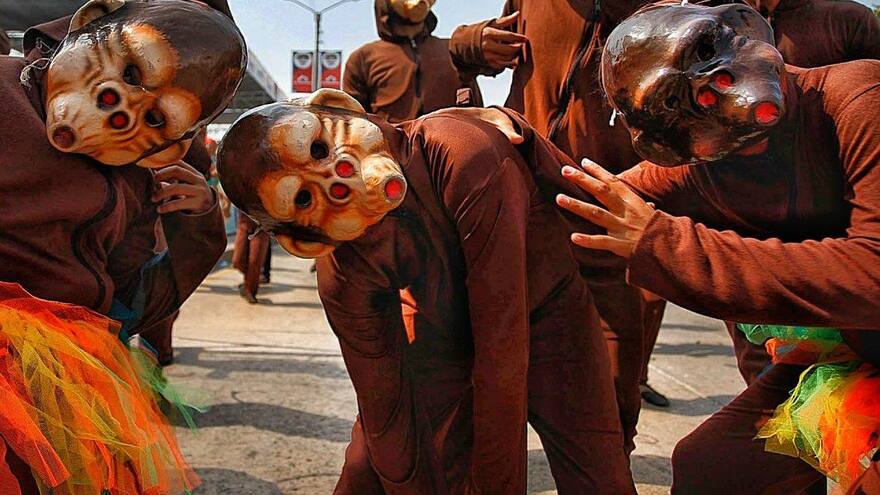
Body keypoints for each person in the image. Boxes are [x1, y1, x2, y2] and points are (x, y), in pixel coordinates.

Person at [218, 89, 636, 494]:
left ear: (340, 107)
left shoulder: (461, 153)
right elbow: (385, 409)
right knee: (370, 467)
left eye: (319, 149)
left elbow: (502, 350)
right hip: (441, 329)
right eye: (305, 197)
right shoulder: (344, 269)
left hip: (549, 318)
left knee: (596, 470)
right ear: (305, 242)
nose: (336, 177)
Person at [555, 2, 880, 492]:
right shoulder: (700, 164)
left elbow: (871, 274)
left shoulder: (858, 96)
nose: (715, 86)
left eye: (708, 50)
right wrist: (504, 143)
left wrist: (664, 243)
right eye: (676, 99)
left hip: (864, 329)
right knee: (713, 464)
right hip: (853, 350)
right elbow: (592, 198)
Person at [0, 0, 246, 492]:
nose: (121, 109)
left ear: (174, 146)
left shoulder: (136, 182)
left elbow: (132, 301)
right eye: (131, 71)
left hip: (60, 380)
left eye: (156, 119)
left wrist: (197, 224)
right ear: (89, 23)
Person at [450, 0, 668, 450]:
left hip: (602, 213)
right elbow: (481, 43)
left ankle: (611, 455)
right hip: (514, 198)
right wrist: (472, 43)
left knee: (612, 390)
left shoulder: (661, 6)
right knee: (476, 374)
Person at [343, 0, 482, 124]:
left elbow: (479, 114)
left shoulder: (454, 50)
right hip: (390, 150)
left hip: (451, 148)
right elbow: (352, 124)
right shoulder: (362, 59)